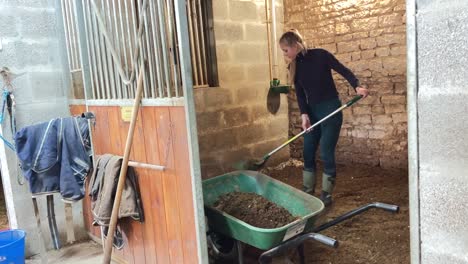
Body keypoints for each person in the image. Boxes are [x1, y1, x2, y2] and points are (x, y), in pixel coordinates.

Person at [279, 29, 369, 206]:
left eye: (285, 50)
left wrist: (357, 86)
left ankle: (326, 193)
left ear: (295, 45)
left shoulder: (321, 55)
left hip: (330, 110)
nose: (285, 54)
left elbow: (343, 70)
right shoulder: (294, 66)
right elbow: (299, 94)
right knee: (308, 150)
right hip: (311, 113)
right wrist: (304, 115)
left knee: (327, 152)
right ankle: (308, 189)